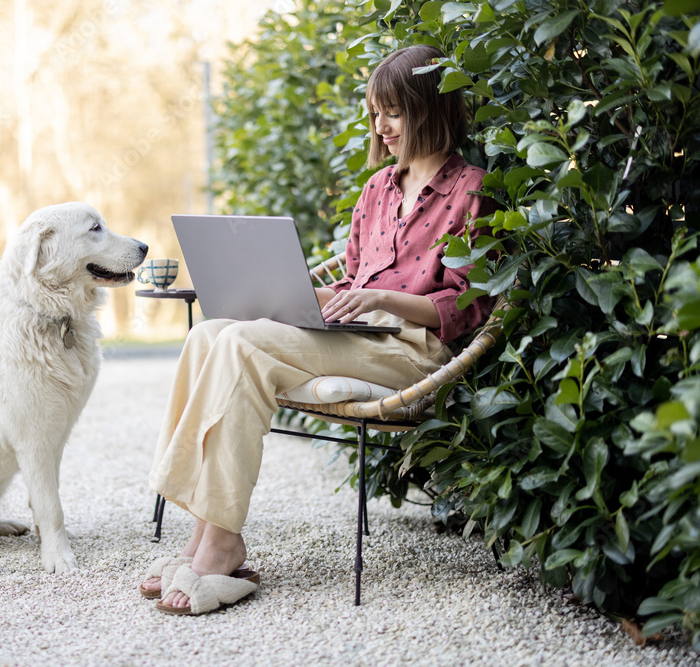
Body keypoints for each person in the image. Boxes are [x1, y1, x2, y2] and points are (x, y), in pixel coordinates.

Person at [140, 44, 496, 615]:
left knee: (235, 342)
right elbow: (350, 283)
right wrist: (294, 296)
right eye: (376, 112)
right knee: (209, 334)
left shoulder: (472, 190)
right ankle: (206, 538)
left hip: (413, 350)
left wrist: (384, 297)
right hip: (353, 337)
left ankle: (221, 543)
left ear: (431, 108)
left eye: (393, 112)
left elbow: (468, 310)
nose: (380, 126)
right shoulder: (377, 191)